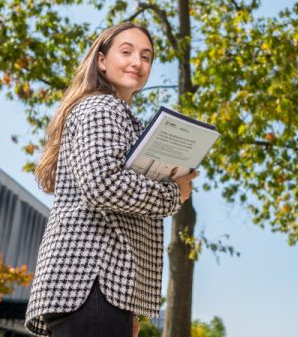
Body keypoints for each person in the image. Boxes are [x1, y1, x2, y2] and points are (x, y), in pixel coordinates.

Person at [25, 22, 199, 337]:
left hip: (96, 289)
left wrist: (128, 304)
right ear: (102, 60)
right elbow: (103, 184)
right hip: (91, 285)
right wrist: (174, 193)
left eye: (146, 57)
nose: (138, 62)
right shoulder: (101, 108)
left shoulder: (114, 113)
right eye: (127, 51)